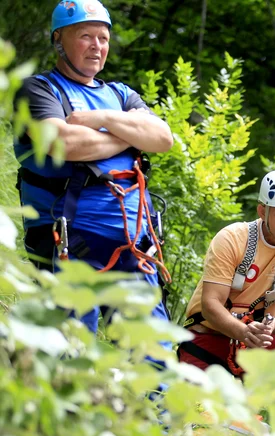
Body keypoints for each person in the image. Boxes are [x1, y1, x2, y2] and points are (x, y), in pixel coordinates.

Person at [14, 0, 173, 336]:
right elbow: (63, 144)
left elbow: (161, 137)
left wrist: (101, 120)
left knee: (152, 355)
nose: (97, 46)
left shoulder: (121, 95)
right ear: (59, 41)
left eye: (103, 38)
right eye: (86, 36)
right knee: (71, 352)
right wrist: (129, 136)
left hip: (133, 244)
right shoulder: (39, 90)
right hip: (69, 240)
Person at [178, 170, 275, 375]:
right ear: (262, 211)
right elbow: (211, 305)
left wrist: (272, 326)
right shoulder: (232, 238)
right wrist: (243, 332)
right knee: (197, 401)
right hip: (213, 336)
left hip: (262, 340)